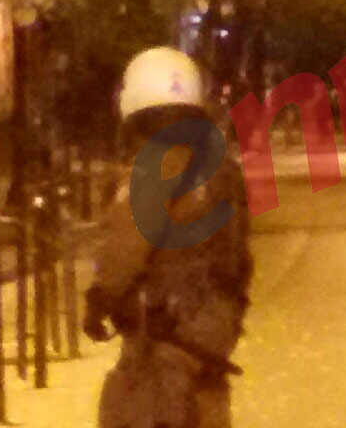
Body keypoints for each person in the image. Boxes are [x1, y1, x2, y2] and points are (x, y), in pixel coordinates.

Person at [84, 47, 253, 428]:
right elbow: (238, 249)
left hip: (166, 321)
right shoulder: (222, 168)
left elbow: (126, 243)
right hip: (217, 316)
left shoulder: (154, 163)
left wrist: (101, 298)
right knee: (204, 399)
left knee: (139, 403)